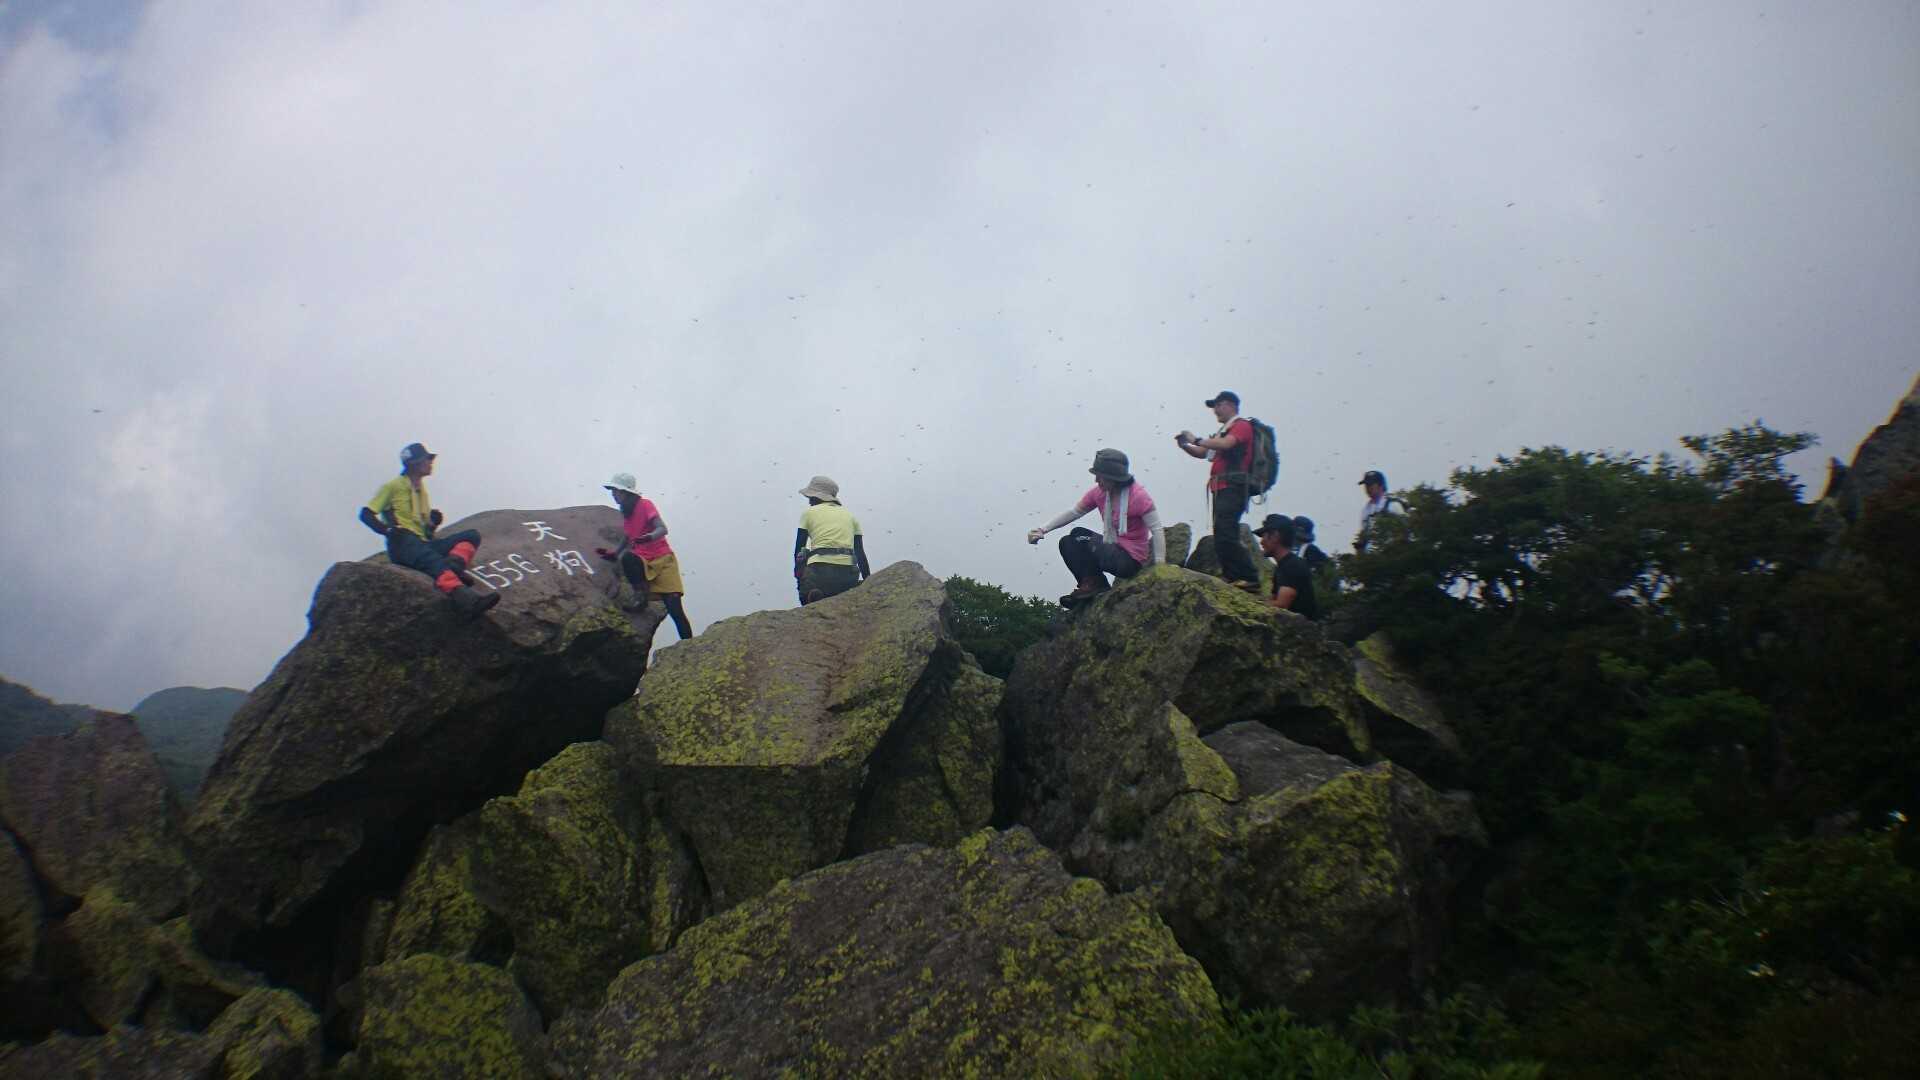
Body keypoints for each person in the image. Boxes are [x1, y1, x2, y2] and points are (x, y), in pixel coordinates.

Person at [358, 442, 499, 616]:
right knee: (431, 560)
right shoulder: (393, 486)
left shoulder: (422, 492)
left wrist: (432, 524)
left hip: (421, 543)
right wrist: (388, 531)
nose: (431, 462)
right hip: (402, 542)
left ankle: (453, 567)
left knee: (471, 536)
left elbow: (426, 533)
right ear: (415, 463)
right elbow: (366, 514)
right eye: (427, 459)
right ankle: (466, 600)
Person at [1027, 448, 1167, 608]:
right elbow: (1075, 512)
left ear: (1113, 478)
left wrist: (1160, 566)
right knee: (1068, 541)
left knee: (1078, 537)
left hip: (1130, 561)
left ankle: (1094, 585)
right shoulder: (1100, 493)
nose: (1096, 480)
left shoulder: (1138, 497)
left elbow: (1157, 530)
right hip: (1112, 549)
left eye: (1100, 476)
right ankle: (1093, 584)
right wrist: (1042, 529)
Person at [1175, 390, 1261, 592]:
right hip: (1222, 488)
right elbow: (1203, 453)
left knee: (1226, 532)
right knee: (1222, 532)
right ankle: (1233, 576)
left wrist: (1196, 439)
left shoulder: (1241, 425)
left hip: (1233, 487)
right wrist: (1185, 445)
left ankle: (1248, 577)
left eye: (1218, 405)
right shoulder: (1224, 431)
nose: (1215, 410)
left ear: (1231, 405)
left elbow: (1226, 444)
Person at [592, 473, 693, 640]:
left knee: (674, 608)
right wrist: (615, 554)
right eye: (613, 491)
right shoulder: (627, 512)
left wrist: (649, 537)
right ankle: (641, 597)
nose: (613, 494)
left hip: (663, 560)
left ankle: (689, 645)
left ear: (626, 492)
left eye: (616, 491)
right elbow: (628, 535)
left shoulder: (645, 505)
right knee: (628, 558)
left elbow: (662, 529)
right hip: (643, 559)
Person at [794, 476, 871, 605]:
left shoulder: (808, 513)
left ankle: (809, 595)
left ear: (816, 497)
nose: (809, 502)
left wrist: (798, 576)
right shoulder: (850, 516)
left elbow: (798, 550)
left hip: (819, 572)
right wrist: (869, 582)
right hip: (848, 573)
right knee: (844, 588)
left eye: (810, 498)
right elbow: (860, 554)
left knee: (805, 585)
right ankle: (849, 588)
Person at [1253, 514, 1320, 620]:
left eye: (1263, 536)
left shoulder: (1293, 565)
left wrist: (1252, 605)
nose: (1261, 542)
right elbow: (1273, 599)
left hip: (1302, 629)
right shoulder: (1283, 566)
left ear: (1275, 536)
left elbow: (1282, 605)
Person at [1355, 470, 1407, 554]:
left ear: (1381, 486)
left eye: (1370, 484)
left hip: (1393, 553)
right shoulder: (1365, 510)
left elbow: (1405, 530)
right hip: (1372, 557)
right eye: (1366, 485)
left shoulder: (1393, 505)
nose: (1367, 488)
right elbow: (1364, 535)